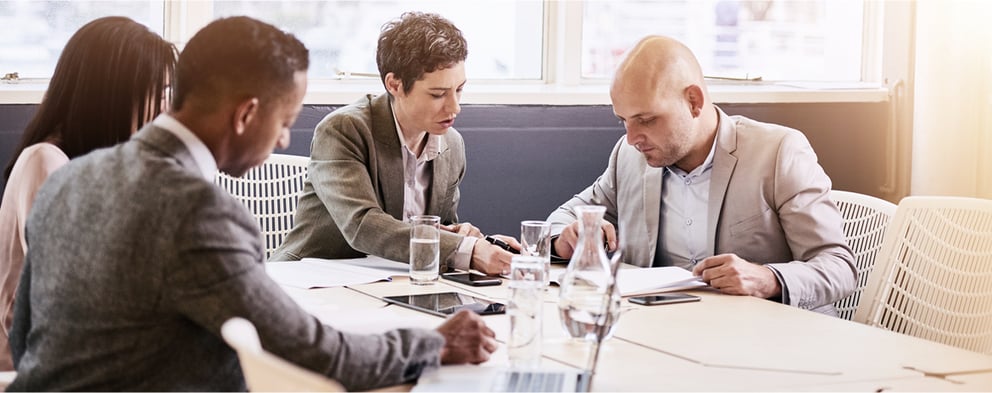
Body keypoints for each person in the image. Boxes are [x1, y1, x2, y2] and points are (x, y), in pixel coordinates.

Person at [8, 16, 496, 391]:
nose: (284, 139)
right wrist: (433, 342)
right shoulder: (200, 211)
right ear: (246, 114)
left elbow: (24, 334)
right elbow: (309, 350)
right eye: (285, 120)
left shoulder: (70, 177)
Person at [548, 35, 857, 315]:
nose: (632, 138)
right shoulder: (630, 157)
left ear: (693, 102)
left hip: (772, 341)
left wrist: (768, 279)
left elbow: (838, 268)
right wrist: (564, 239)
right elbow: (562, 219)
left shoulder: (778, 152)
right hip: (669, 337)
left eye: (646, 120)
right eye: (623, 121)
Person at [271, 12, 515, 275]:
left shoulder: (451, 144)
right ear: (394, 84)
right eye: (437, 94)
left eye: (459, 90)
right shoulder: (343, 130)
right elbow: (362, 225)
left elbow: (439, 230)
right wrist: (464, 249)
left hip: (393, 281)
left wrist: (463, 237)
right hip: (311, 277)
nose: (455, 107)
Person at [0, 16, 176, 371]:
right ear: (112, 94)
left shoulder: (97, 164)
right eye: (158, 96)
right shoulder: (46, 162)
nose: (165, 111)